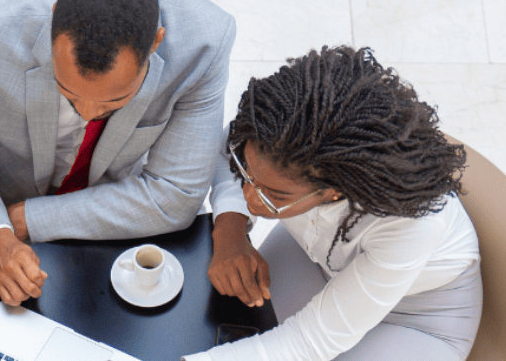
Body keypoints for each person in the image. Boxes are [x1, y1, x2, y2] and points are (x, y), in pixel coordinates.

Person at [0, 0, 235, 306]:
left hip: (105, 206)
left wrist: (28, 220)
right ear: (52, 25)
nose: (88, 112)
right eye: (69, 93)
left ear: (155, 44)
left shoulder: (204, 46)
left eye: (114, 101)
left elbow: (176, 193)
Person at [187, 46, 482, 361]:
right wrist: (230, 230)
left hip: (417, 317)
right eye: (246, 174)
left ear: (335, 192)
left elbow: (307, 344)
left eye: (275, 195)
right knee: (227, 322)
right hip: (321, 262)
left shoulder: (413, 226)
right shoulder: (278, 136)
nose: (249, 198)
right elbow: (225, 148)